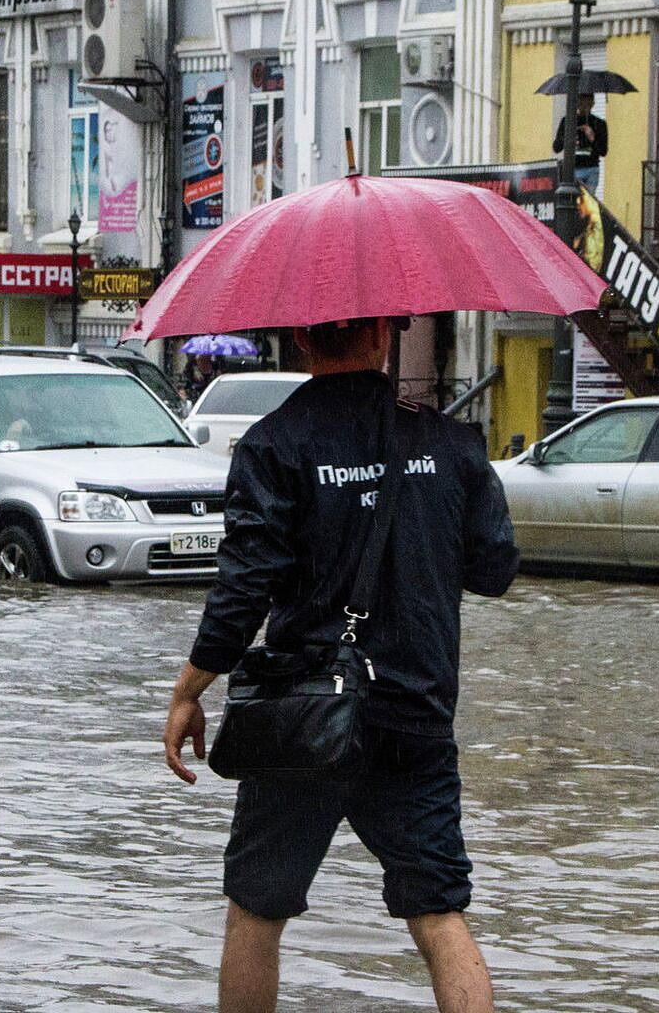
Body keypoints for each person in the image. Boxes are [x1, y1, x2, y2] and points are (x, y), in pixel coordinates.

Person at [162, 315, 520, 1013]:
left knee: (257, 913)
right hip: (414, 712)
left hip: (304, 719)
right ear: (383, 336)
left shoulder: (273, 445)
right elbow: (495, 568)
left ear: (301, 340)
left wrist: (188, 690)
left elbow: (243, 591)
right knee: (440, 915)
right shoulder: (449, 441)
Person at [552, 93, 608, 194]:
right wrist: (568, 137)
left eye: (588, 104)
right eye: (582, 104)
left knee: (588, 204)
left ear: (593, 104)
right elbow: (556, 147)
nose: (585, 107)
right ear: (577, 103)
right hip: (572, 169)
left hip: (591, 169)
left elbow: (603, 151)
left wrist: (592, 138)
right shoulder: (567, 121)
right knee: (572, 202)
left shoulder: (599, 123)